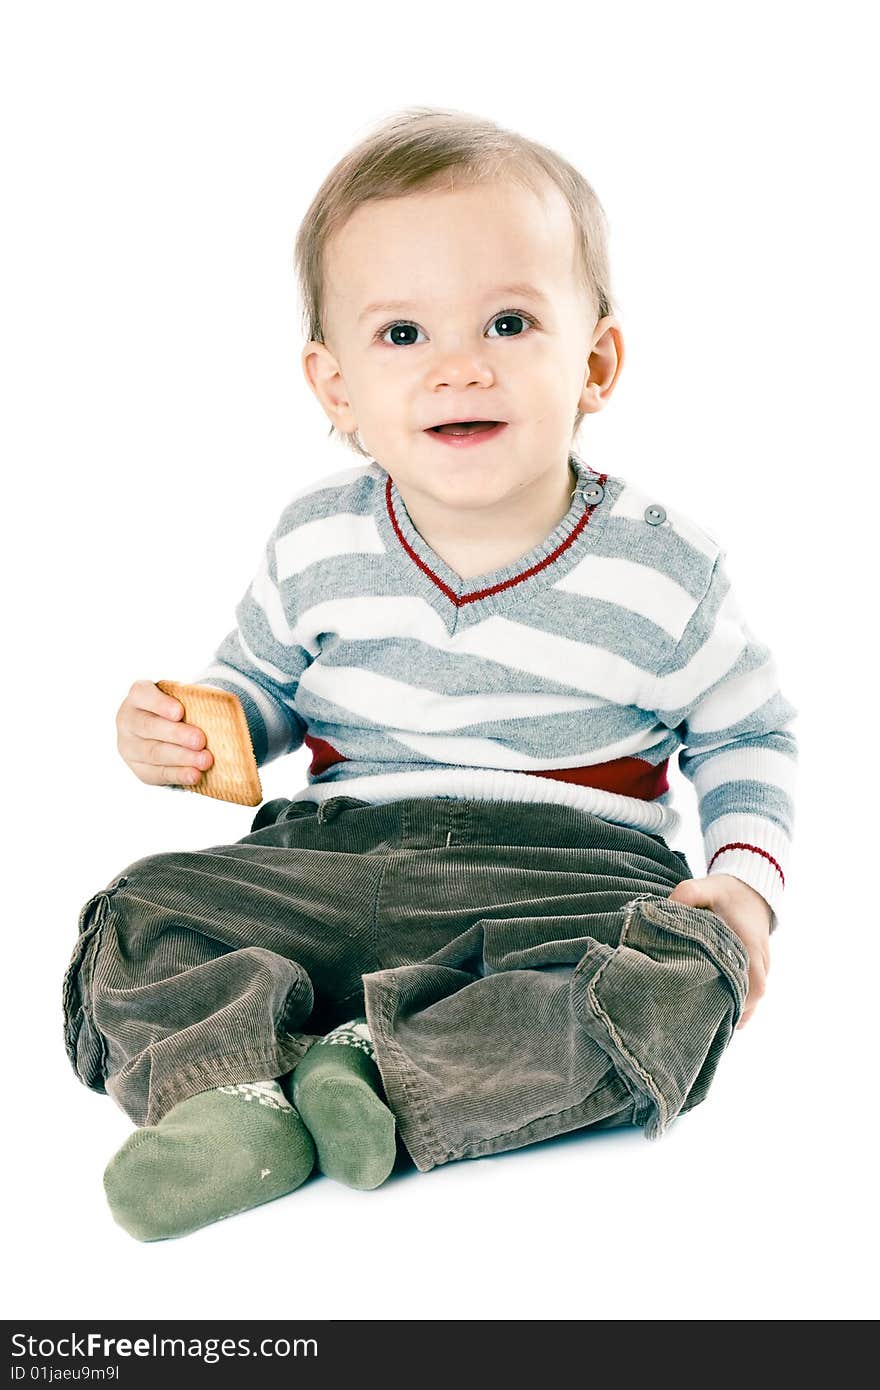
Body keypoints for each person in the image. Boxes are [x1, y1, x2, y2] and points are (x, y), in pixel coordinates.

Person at [63, 106, 798, 1242]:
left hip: (562, 872)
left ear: (594, 360)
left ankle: (374, 1071)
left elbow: (746, 734)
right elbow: (259, 691)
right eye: (401, 335)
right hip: (329, 853)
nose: (458, 366)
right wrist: (191, 732)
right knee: (142, 912)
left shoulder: (661, 563)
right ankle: (238, 1098)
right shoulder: (315, 541)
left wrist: (744, 886)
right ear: (337, 387)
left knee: (685, 977)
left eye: (508, 321)